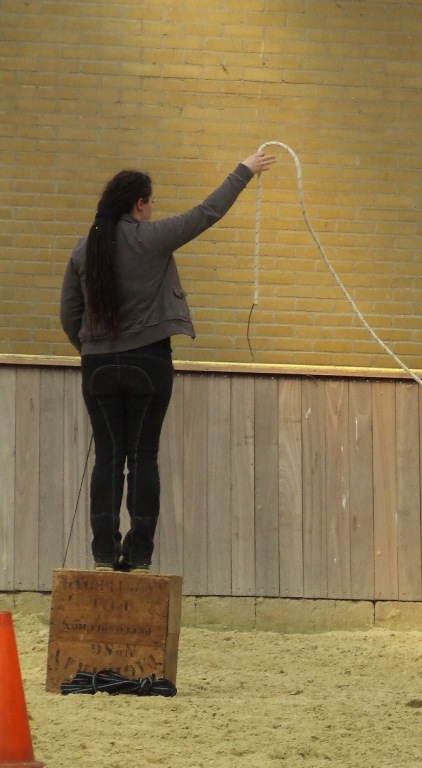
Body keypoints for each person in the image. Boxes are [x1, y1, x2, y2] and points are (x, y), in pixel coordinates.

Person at [59, 149, 277, 573]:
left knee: (108, 457)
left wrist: (90, 351)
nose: (153, 208)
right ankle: (139, 555)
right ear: (139, 204)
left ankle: (103, 552)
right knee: (142, 455)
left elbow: (70, 313)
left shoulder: (84, 249)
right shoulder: (152, 238)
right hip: (149, 363)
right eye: (151, 201)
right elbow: (207, 212)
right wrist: (244, 171)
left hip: (97, 366)